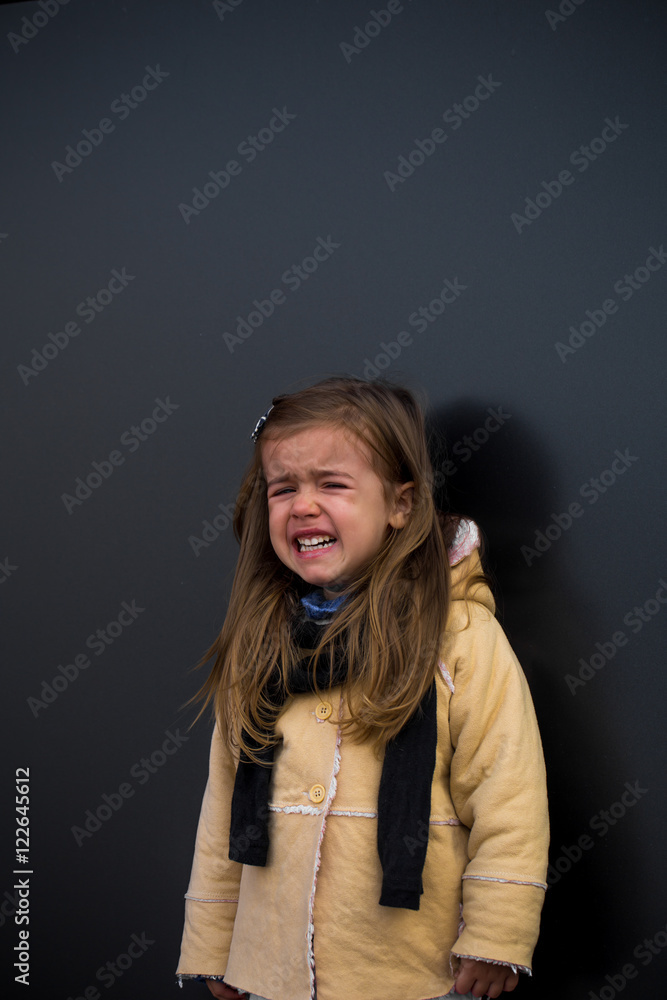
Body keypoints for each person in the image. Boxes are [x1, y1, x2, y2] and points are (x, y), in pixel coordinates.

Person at [176, 376, 549, 1000]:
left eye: (332, 484)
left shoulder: (459, 636)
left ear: (401, 505)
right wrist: (213, 947)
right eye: (283, 487)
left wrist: (497, 935)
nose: (303, 506)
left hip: (409, 973)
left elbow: (508, 795)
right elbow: (223, 813)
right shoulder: (261, 647)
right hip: (274, 972)